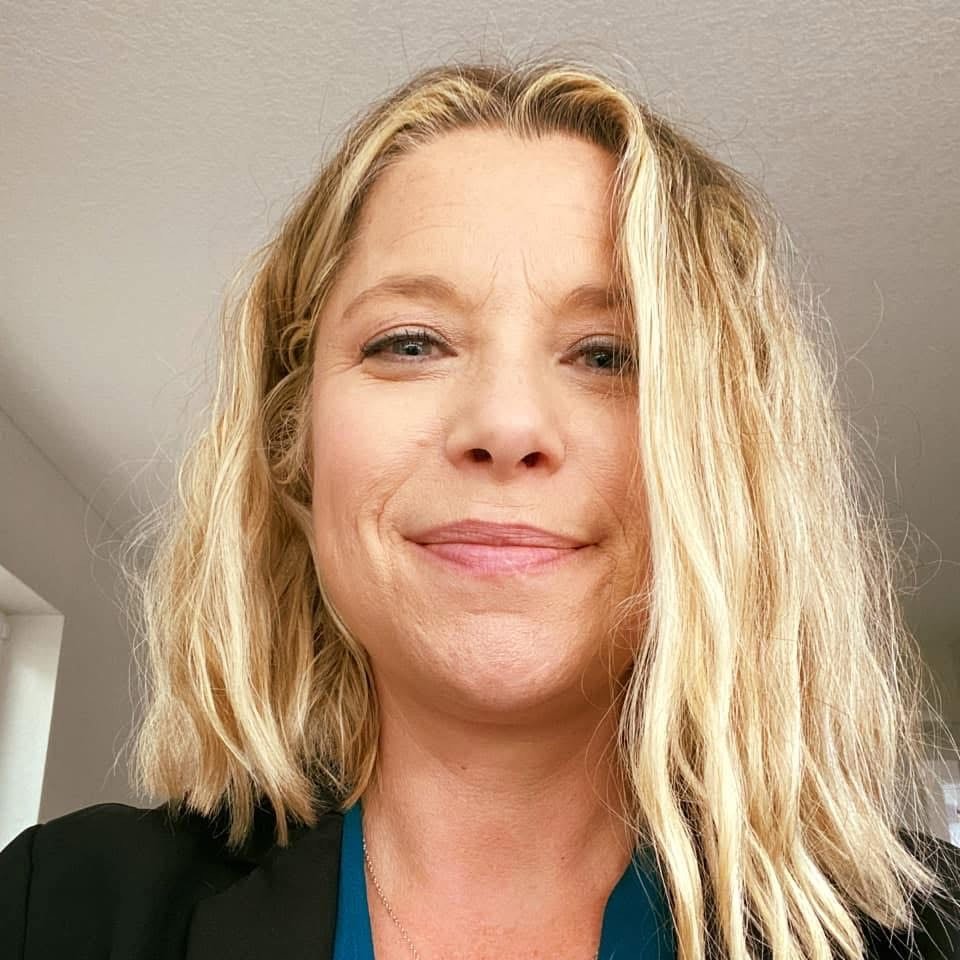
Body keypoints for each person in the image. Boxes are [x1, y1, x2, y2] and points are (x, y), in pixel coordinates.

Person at [1, 54, 958, 960]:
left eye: (609, 354)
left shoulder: (932, 928)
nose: (504, 424)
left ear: (732, 461)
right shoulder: (57, 908)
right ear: (292, 448)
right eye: (411, 342)